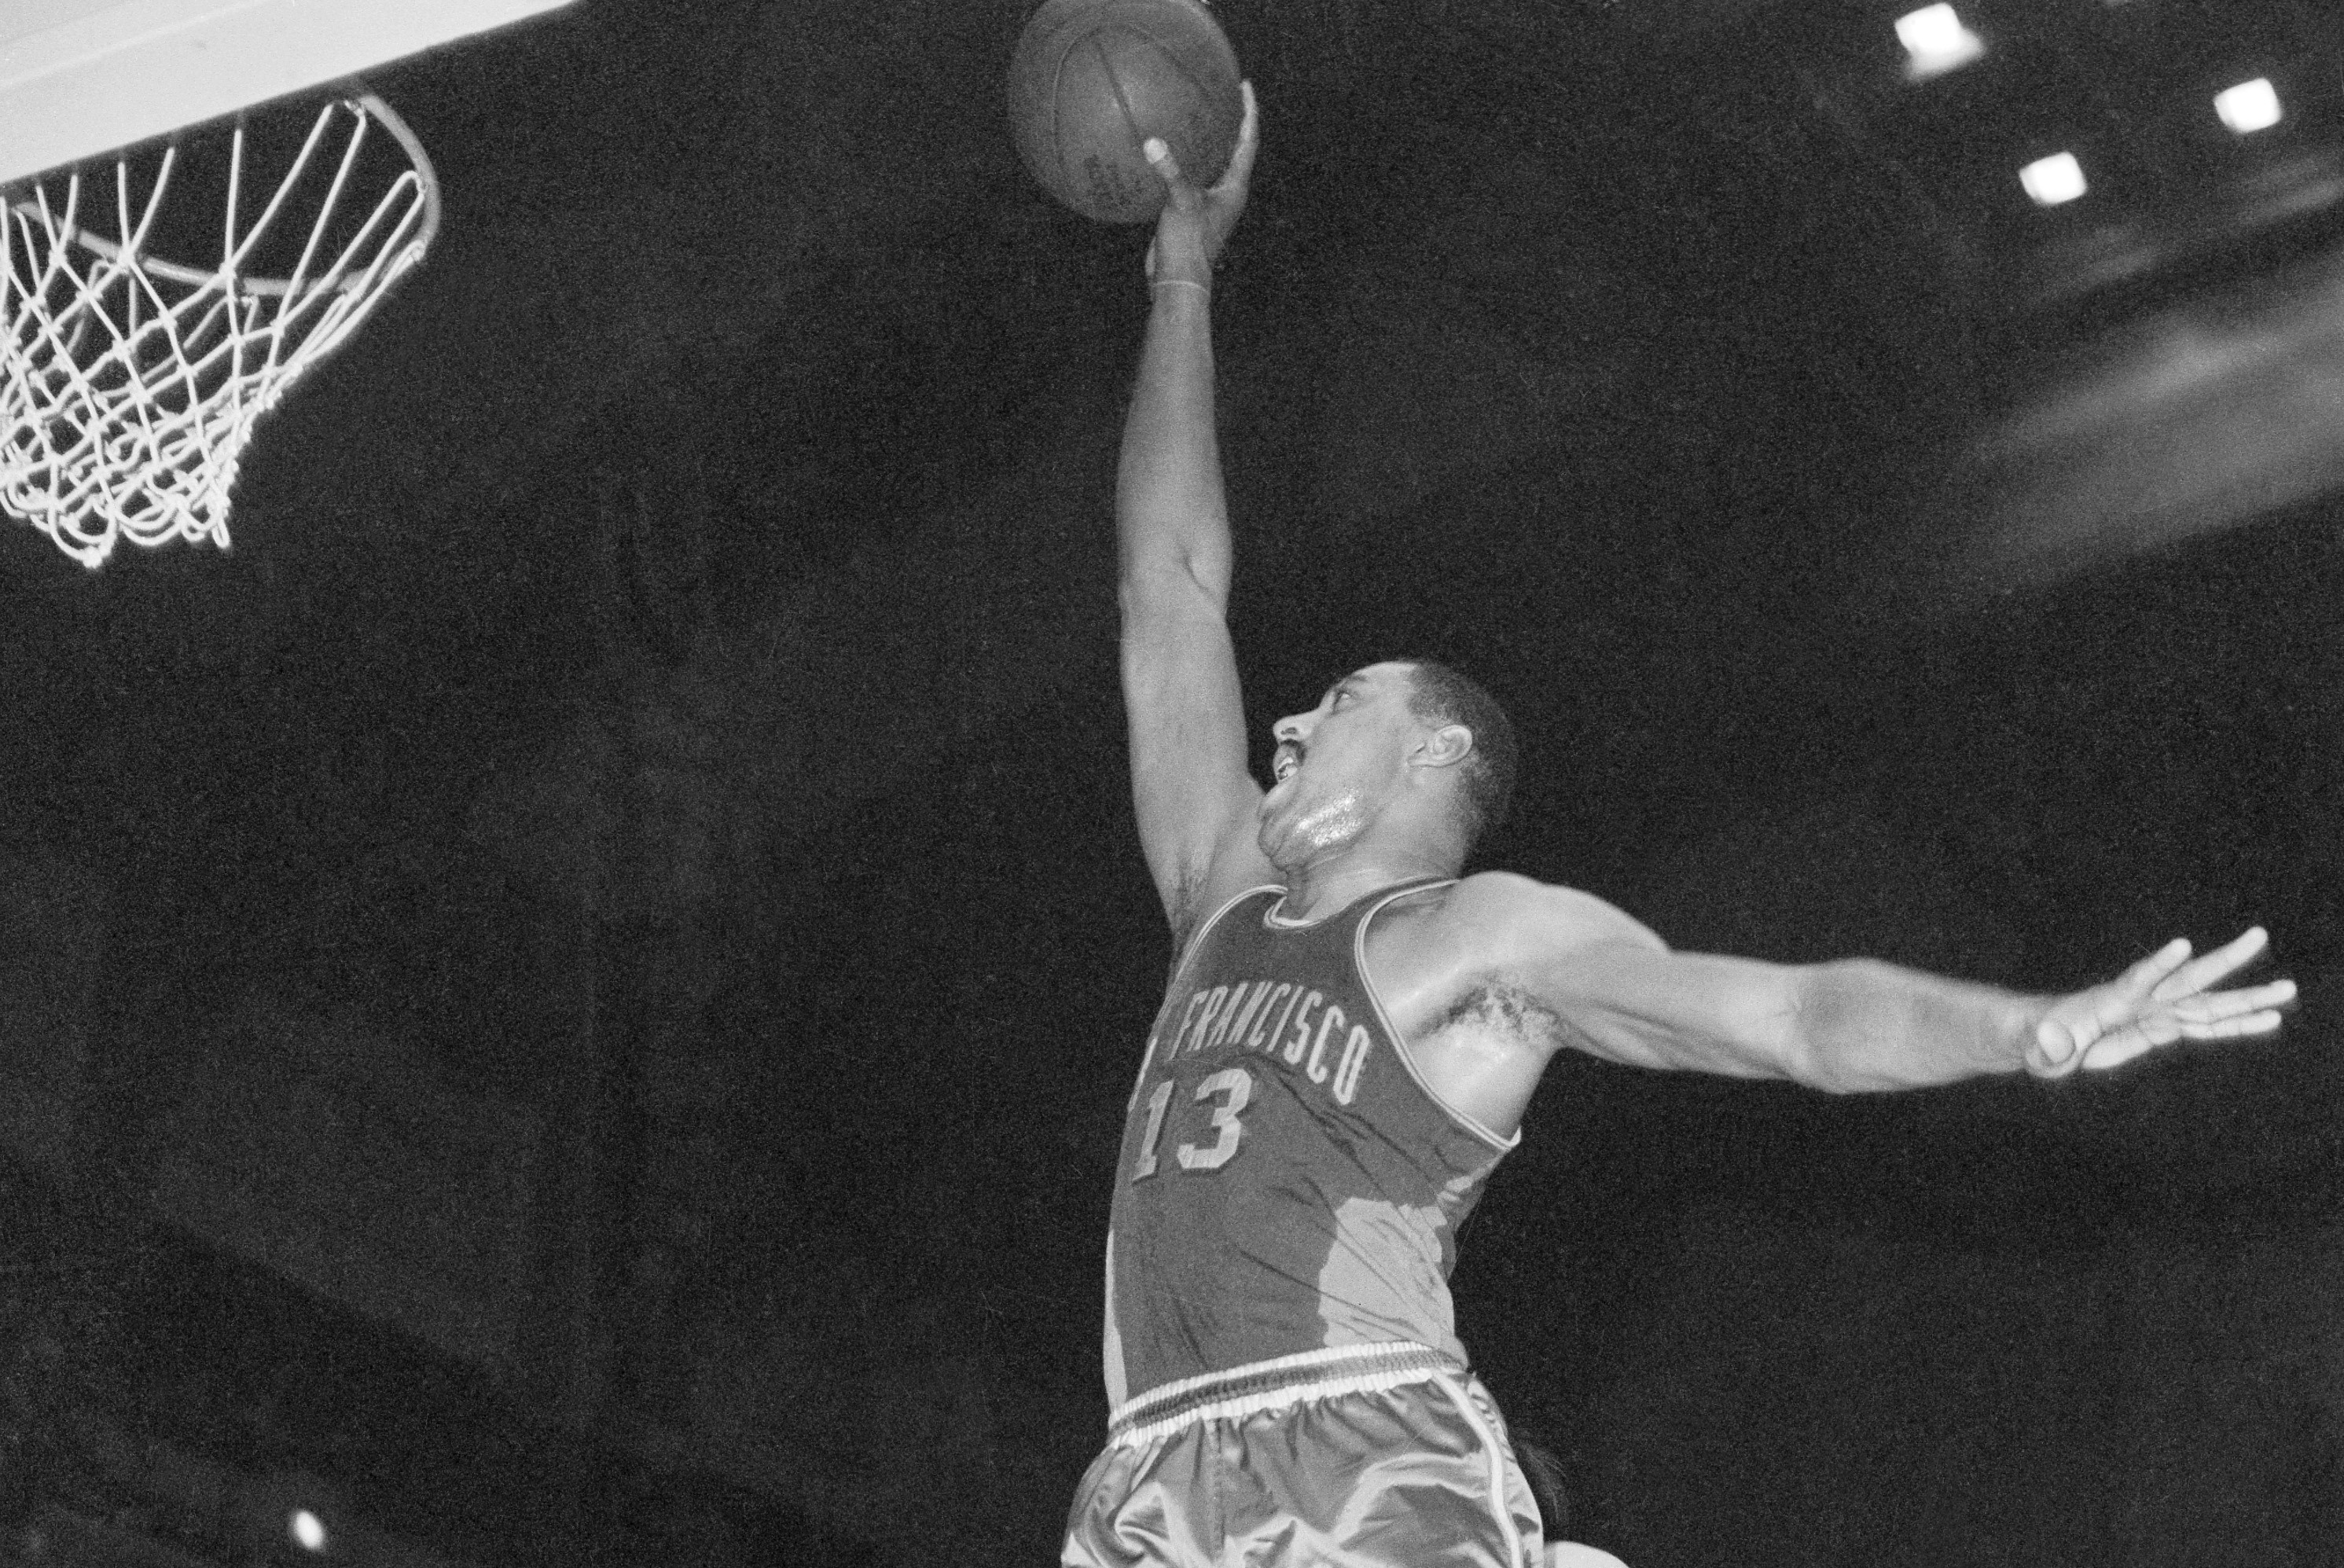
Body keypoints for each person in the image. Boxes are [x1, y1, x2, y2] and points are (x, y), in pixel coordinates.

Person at [1057, 86, 2295, 1568]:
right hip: (1146, 1490)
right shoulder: (1219, 891)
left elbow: (1789, 1017)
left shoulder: (1486, 940)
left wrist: (2022, 1028)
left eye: (1336, 699)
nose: (1286, 724)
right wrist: (1181, 275)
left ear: (1435, 746)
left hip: (1355, 1460)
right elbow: (1169, 591)